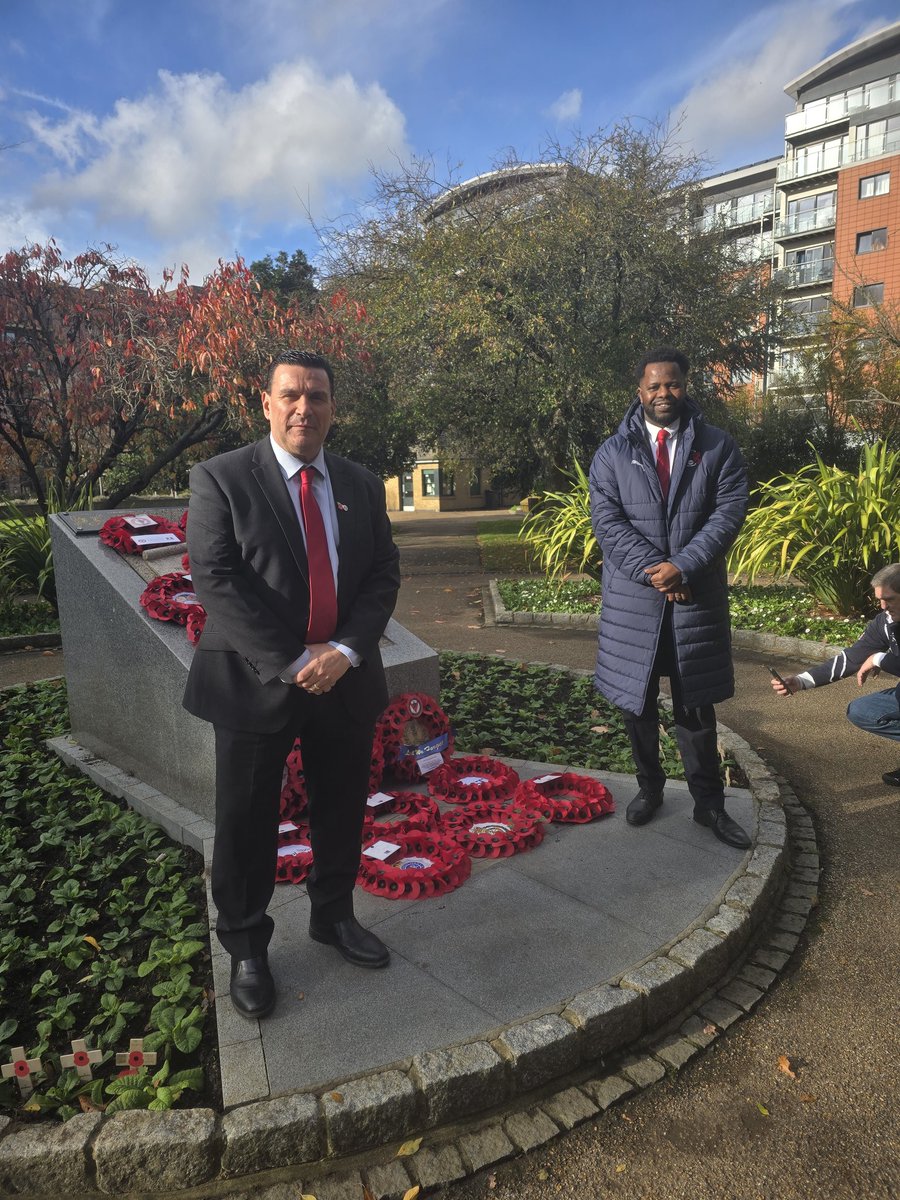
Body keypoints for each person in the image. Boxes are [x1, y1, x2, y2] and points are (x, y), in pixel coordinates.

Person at [183, 349, 401, 1019]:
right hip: (255, 681)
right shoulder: (221, 478)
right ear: (267, 403)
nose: (305, 407)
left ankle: (333, 915)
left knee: (341, 807)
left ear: (334, 407)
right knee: (246, 822)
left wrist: (343, 650)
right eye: (292, 395)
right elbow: (215, 577)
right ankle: (247, 946)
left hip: (344, 677)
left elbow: (382, 574)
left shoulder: (361, 484)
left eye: (318, 396)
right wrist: (292, 659)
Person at [589, 346, 751, 849]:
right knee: (637, 707)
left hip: (694, 602)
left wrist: (683, 565)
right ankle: (649, 789)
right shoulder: (612, 453)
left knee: (695, 710)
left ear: (686, 385)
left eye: (673, 383)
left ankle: (709, 806)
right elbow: (607, 522)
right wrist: (655, 571)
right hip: (634, 605)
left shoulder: (718, 447)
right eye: (654, 386)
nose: (664, 393)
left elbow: (728, 514)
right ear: (639, 391)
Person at [771, 563, 900, 784]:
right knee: (862, 710)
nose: (882, 606)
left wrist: (879, 658)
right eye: (879, 599)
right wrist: (800, 682)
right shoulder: (886, 621)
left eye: (889, 599)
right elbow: (851, 658)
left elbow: (879, 659)